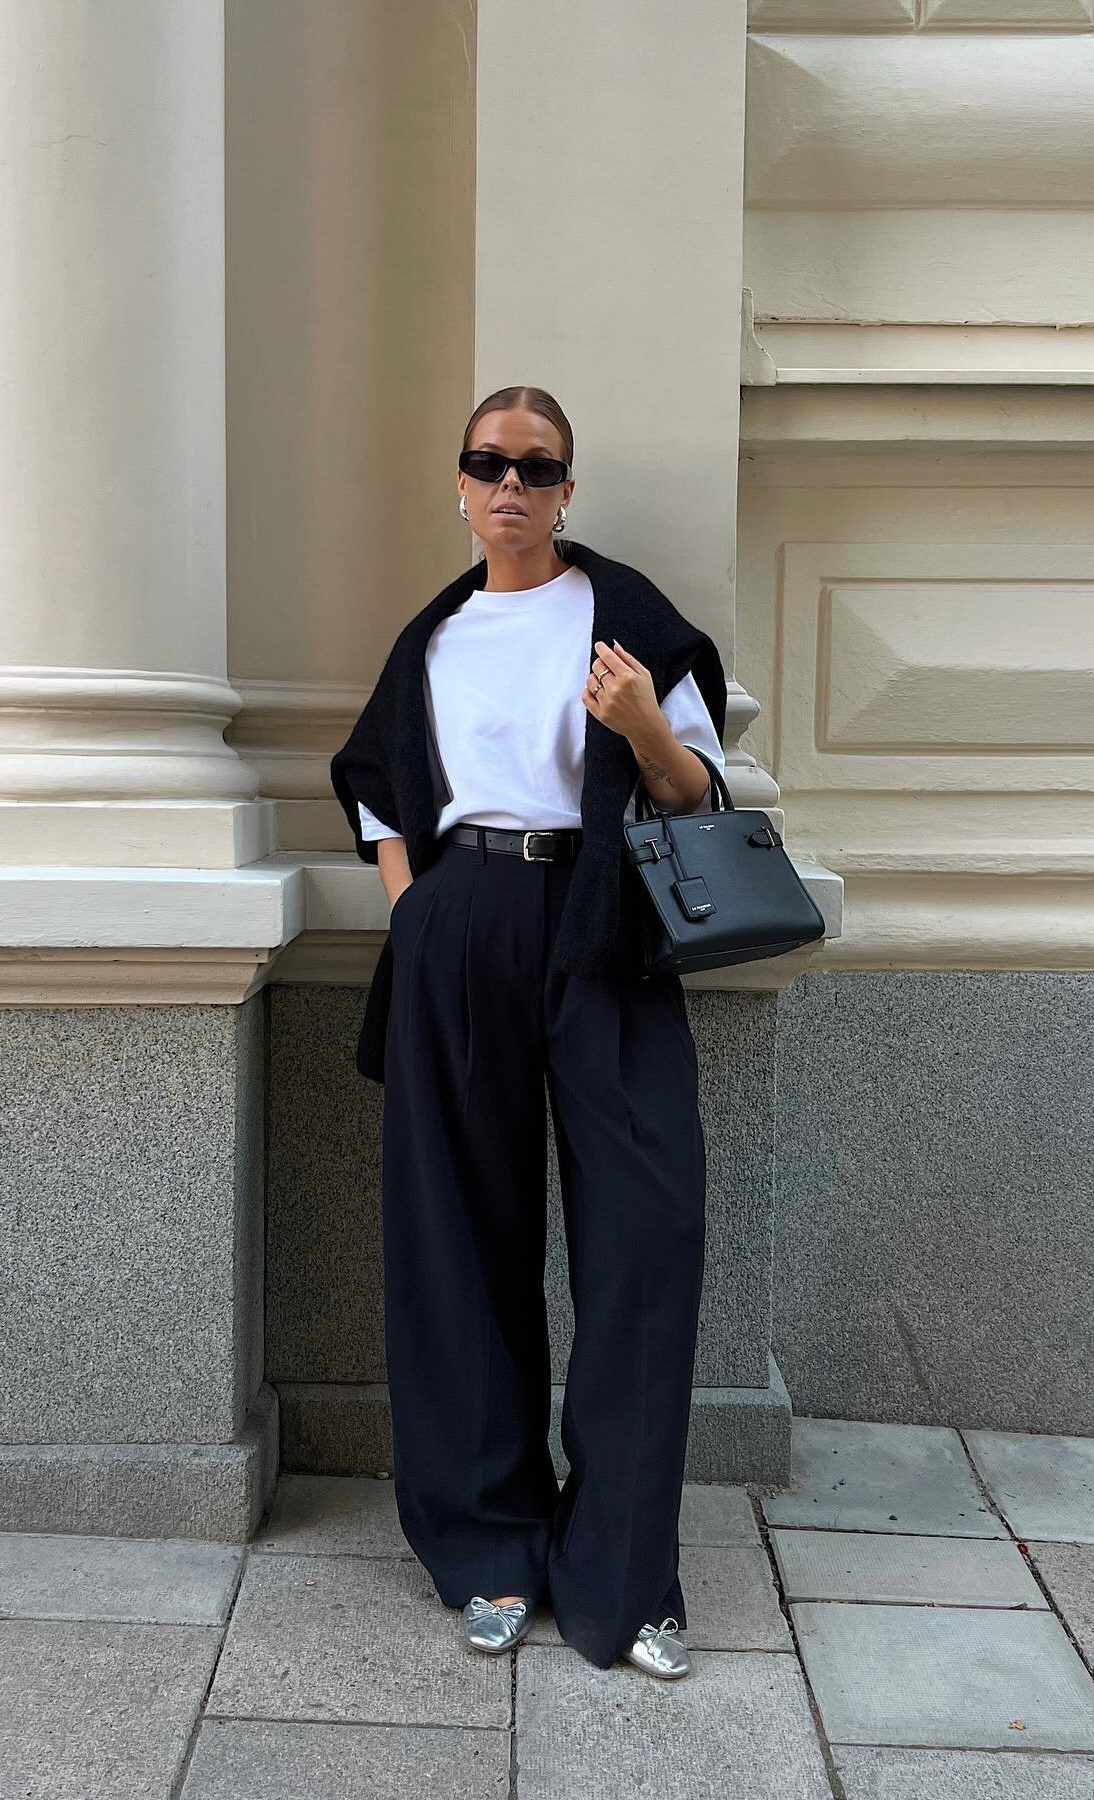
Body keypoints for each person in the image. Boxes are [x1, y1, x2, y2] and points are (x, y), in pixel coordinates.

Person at [329, 385, 727, 1679]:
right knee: (461, 1239)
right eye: (486, 463)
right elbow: (377, 791)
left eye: (535, 465)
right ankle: (490, 1544)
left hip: (602, 918)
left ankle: (621, 1578)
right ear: (460, 485)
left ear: (567, 489)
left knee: (647, 1235)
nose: (509, 484)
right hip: (462, 923)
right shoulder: (432, 642)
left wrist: (640, 724)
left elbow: (698, 794)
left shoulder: (627, 622)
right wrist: (416, 916)